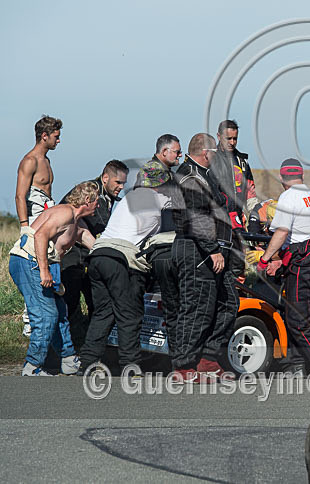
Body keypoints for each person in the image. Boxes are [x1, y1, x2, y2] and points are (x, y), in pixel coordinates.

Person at [79, 164, 172, 373]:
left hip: (97, 255)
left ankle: (86, 362)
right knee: (129, 315)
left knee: (103, 314)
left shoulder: (129, 198)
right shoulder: (158, 199)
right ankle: (130, 366)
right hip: (120, 259)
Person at [165, 133, 238, 383]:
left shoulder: (205, 176)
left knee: (229, 303)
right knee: (196, 307)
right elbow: (196, 217)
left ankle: (208, 357)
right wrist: (212, 249)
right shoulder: (189, 176)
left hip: (215, 250)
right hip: (196, 249)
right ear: (206, 152)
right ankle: (184, 364)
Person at [8, 181, 99, 376]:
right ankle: (32, 366)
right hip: (29, 261)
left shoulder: (76, 223)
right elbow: (40, 236)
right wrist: (44, 271)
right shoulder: (64, 212)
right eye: (96, 201)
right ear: (87, 200)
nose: (98, 206)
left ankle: (68, 360)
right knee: (46, 314)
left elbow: (93, 244)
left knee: (60, 312)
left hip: (46, 264)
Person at [257, 158, 310, 374]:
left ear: (282, 178)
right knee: (302, 315)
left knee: (297, 319)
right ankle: (298, 363)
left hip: (304, 265)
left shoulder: (288, 197)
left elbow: (282, 232)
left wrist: (266, 259)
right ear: (302, 175)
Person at [59, 160, 129, 347]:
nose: (121, 188)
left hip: (93, 256)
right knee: (69, 302)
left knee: (97, 302)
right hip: (73, 254)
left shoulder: (114, 199)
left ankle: (92, 345)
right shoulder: (88, 191)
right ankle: (66, 347)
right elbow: (71, 217)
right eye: (118, 183)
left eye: (124, 183)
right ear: (105, 178)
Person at [15, 115, 63, 336]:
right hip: (34, 215)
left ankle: (44, 310)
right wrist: (25, 227)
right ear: (44, 136)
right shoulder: (30, 160)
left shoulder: (47, 160)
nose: (58, 141)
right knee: (34, 262)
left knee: (51, 258)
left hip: (47, 211)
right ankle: (29, 320)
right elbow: (19, 196)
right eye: (56, 136)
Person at [210, 119, 258, 280]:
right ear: (218, 136)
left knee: (238, 268)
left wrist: (256, 218)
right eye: (228, 138)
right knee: (218, 269)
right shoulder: (210, 160)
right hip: (217, 224)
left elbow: (250, 194)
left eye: (234, 139)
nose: (232, 142)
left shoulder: (242, 162)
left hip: (238, 224)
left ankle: (238, 300)